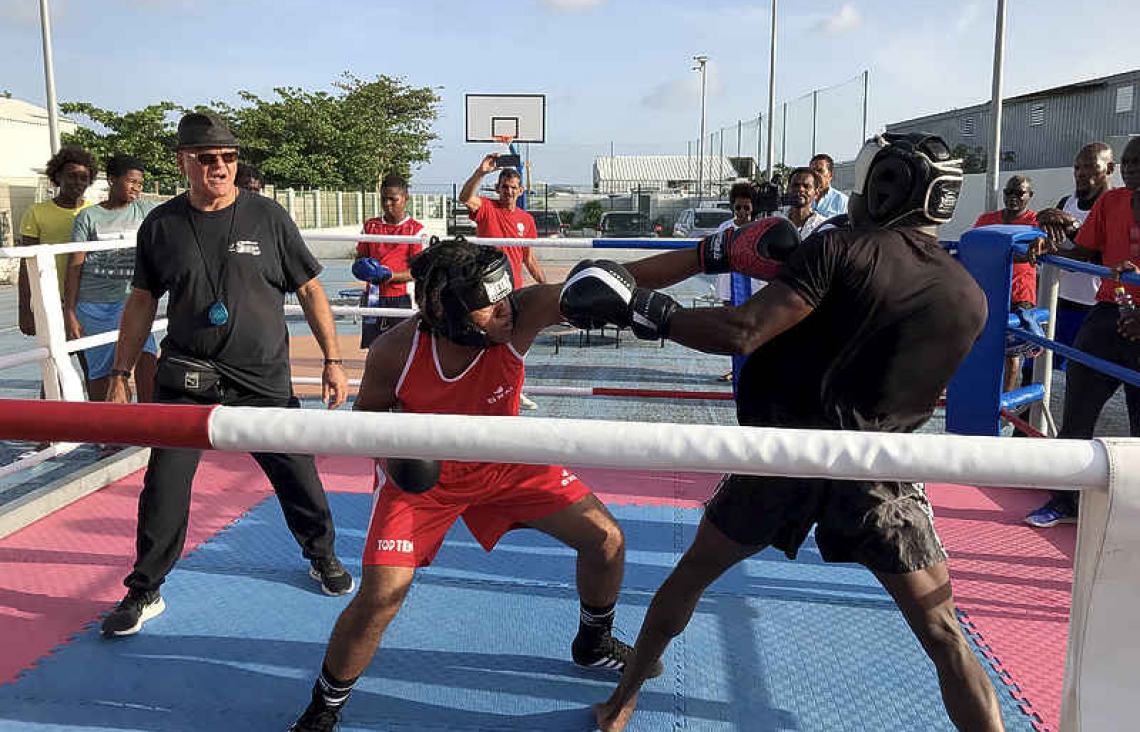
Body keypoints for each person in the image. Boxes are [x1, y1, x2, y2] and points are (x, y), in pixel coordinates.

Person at [561, 133, 1006, 732]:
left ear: (887, 186)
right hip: (877, 471)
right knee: (944, 632)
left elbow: (743, 332)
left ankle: (620, 706)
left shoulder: (841, 250)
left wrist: (643, 307)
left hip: (785, 453)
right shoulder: (970, 297)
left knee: (692, 572)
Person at [287, 238, 660, 731]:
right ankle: (324, 707)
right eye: (491, 303)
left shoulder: (519, 317)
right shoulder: (395, 350)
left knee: (606, 540)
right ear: (452, 311)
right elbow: (368, 423)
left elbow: (612, 276)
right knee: (382, 596)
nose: (507, 310)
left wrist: (706, 257)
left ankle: (592, 642)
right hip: (426, 485)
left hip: (506, 463)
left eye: (508, 297)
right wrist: (401, 457)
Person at [99, 112, 354, 638]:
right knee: (164, 483)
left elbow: (309, 289)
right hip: (185, 377)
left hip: (262, 378)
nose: (220, 167)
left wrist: (333, 359)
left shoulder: (268, 217)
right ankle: (144, 589)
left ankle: (322, 554)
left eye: (229, 157)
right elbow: (143, 300)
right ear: (183, 162)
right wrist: (121, 370)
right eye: (207, 158)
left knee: (296, 471)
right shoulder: (162, 225)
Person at [1023, 137, 1140, 528]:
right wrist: (1043, 248)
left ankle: (1132, 515)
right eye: (1128, 161)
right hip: (1108, 312)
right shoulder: (1112, 203)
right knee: (1077, 412)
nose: (1132, 168)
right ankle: (1065, 501)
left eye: (1139, 161)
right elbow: (1085, 253)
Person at [64, 154, 159, 406]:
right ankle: (106, 432)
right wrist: (70, 312)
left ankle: (150, 421)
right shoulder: (88, 216)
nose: (136, 188)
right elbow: (75, 266)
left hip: (131, 301)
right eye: (131, 182)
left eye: (140, 183)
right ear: (112, 180)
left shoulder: (146, 211)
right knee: (101, 371)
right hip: (94, 303)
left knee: (148, 357)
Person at [460, 154, 547, 409]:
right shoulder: (487, 208)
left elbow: (528, 258)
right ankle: (475, 389)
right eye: (504, 188)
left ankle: (512, 389)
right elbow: (465, 198)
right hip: (486, 291)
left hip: (514, 291)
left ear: (520, 191)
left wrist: (546, 285)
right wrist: (480, 172)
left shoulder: (527, 220)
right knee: (483, 341)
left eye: (513, 188)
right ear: (497, 189)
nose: (508, 192)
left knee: (517, 345)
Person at [18, 146, 97, 338]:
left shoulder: (95, 213)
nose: (77, 182)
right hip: (51, 301)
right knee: (55, 362)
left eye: (83, 177)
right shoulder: (36, 213)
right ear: (58, 176)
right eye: (71, 175)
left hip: (88, 301)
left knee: (93, 363)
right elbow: (27, 265)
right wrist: (25, 310)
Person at [974, 174, 1038, 394]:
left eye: (1019, 193)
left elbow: (1034, 253)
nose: (1013, 197)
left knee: (1012, 354)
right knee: (980, 348)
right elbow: (973, 249)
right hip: (988, 292)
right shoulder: (986, 220)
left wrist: (997, 253)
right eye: (1008, 192)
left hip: (1019, 295)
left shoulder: (1035, 223)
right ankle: (982, 395)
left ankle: (1005, 409)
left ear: (1029, 195)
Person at [1050, 143, 1115, 356]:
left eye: (1089, 166)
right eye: (1077, 168)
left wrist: (1073, 229)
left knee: (1084, 377)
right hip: (1059, 300)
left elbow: (1110, 256)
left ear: (1109, 168)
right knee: (1034, 372)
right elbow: (1054, 247)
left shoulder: (1119, 207)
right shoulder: (1066, 203)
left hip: (1096, 307)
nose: (1081, 173)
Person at [351, 174, 423, 349]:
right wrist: (361, 268)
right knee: (374, 348)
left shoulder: (416, 230)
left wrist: (389, 275)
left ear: (405, 199)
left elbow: (418, 271)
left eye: (393, 199)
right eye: (384, 199)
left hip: (402, 298)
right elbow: (360, 258)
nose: (387, 204)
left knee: (403, 350)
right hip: (374, 296)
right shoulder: (371, 226)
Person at [713, 182, 756, 380]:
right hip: (729, 286)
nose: (742, 212)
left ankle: (754, 369)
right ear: (732, 207)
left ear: (753, 207)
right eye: (738, 207)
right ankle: (735, 368)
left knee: (754, 328)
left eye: (746, 208)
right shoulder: (724, 228)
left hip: (755, 286)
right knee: (733, 329)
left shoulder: (760, 228)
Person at [784, 166, 828, 239]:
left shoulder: (822, 226)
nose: (800, 189)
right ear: (788, 189)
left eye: (806, 186)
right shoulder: (775, 219)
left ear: (816, 193)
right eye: (796, 185)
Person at [809, 153, 848, 218]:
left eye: (820, 171)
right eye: (812, 171)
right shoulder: (804, 199)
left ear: (831, 174)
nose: (815, 174)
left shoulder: (842, 201)